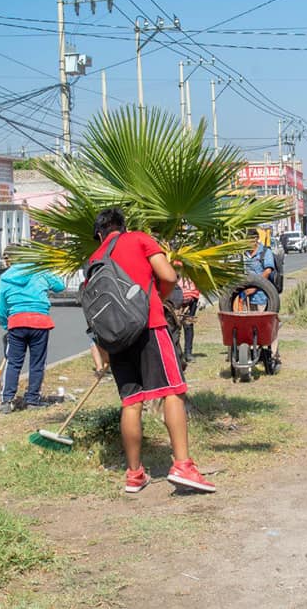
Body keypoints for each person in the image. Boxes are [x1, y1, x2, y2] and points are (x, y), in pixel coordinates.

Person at [87, 208, 215, 494]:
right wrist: (157, 298)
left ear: (99, 234)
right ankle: (183, 465)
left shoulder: (94, 260)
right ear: (123, 226)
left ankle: (134, 474)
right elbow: (168, 275)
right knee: (172, 391)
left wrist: (104, 350)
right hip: (150, 326)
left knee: (131, 401)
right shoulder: (139, 240)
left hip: (116, 338)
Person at [0, 263, 65, 414]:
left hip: (16, 322)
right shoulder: (40, 271)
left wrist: (6, 325)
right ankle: (32, 399)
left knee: (13, 363)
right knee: (37, 363)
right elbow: (60, 286)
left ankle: (7, 400)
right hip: (40, 321)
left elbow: (0, 307)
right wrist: (46, 267)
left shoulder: (6, 277)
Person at [244, 229, 281, 367]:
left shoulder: (265, 253)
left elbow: (268, 270)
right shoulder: (244, 254)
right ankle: (253, 353)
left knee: (268, 326)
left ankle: (273, 355)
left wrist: (255, 286)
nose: (247, 242)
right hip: (247, 297)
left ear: (255, 239)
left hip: (263, 296)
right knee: (249, 326)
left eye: (249, 239)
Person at [178, 272, 201, 363]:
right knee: (175, 327)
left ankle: (188, 353)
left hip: (192, 297)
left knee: (188, 326)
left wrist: (200, 296)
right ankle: (177, 353)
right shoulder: (173, 262)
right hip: (177, 297)